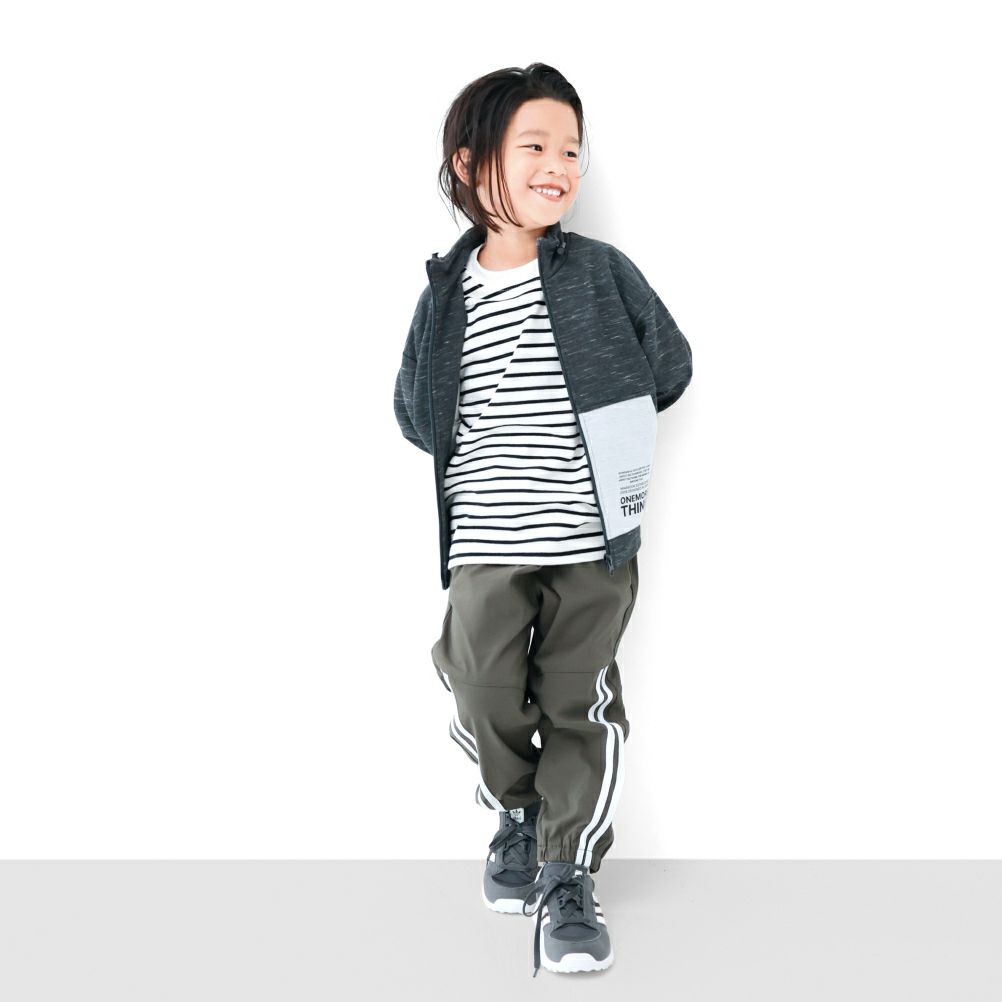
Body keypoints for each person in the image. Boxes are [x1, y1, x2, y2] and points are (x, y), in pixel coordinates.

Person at [393, 63, 693, 977]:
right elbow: (413, 410)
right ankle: (519, 813)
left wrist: (613, 435)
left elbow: (670, 364)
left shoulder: (600, 273)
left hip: (589, 543)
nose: (558, 166)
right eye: (534, 146)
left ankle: (567, 874)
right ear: (470, 162)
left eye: (570, 150)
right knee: (478, 683)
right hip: (486, 540)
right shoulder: (447, 292)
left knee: (578, 702)